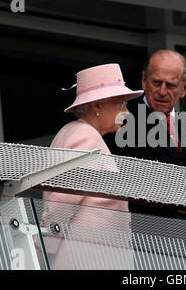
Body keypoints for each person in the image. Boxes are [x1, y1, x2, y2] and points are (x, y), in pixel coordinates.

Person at [41, 63, 143, 269]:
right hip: (89, 260)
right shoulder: (83, 137)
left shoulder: (75, 132)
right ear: (97, 106)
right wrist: (42, 251)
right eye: (121, 104)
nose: (127, 112)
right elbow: (61, 203)